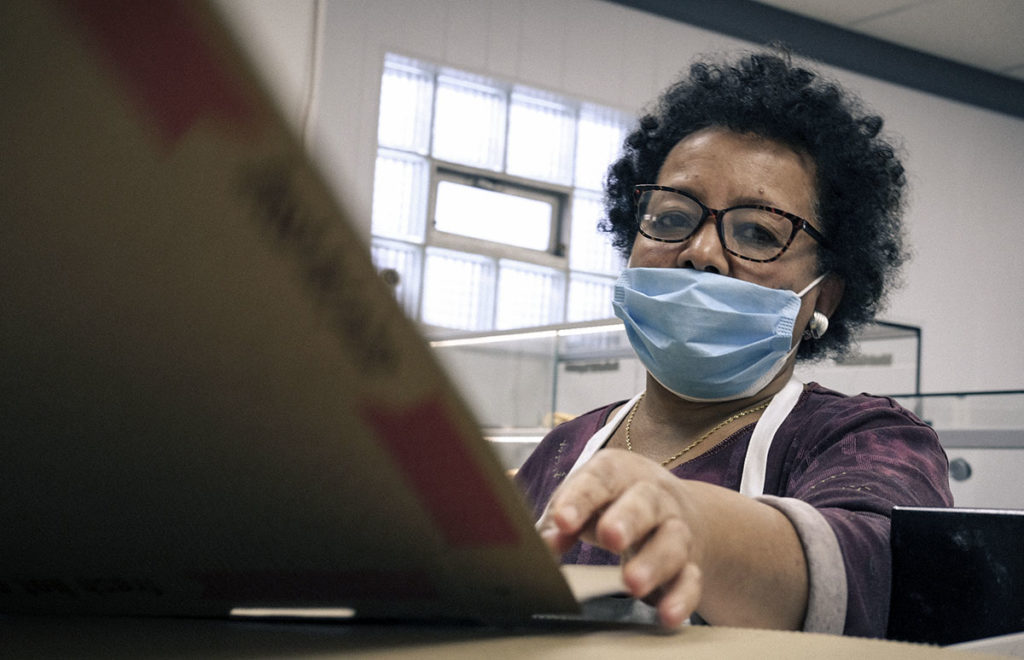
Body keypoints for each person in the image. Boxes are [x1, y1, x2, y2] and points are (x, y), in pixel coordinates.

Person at [515, 51, 952, 638]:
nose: (702, 251)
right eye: (671, 218)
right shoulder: (564, 448)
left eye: (757, 232)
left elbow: (872, 574)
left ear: (823, 298)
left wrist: (693, 522)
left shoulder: (864, 441)